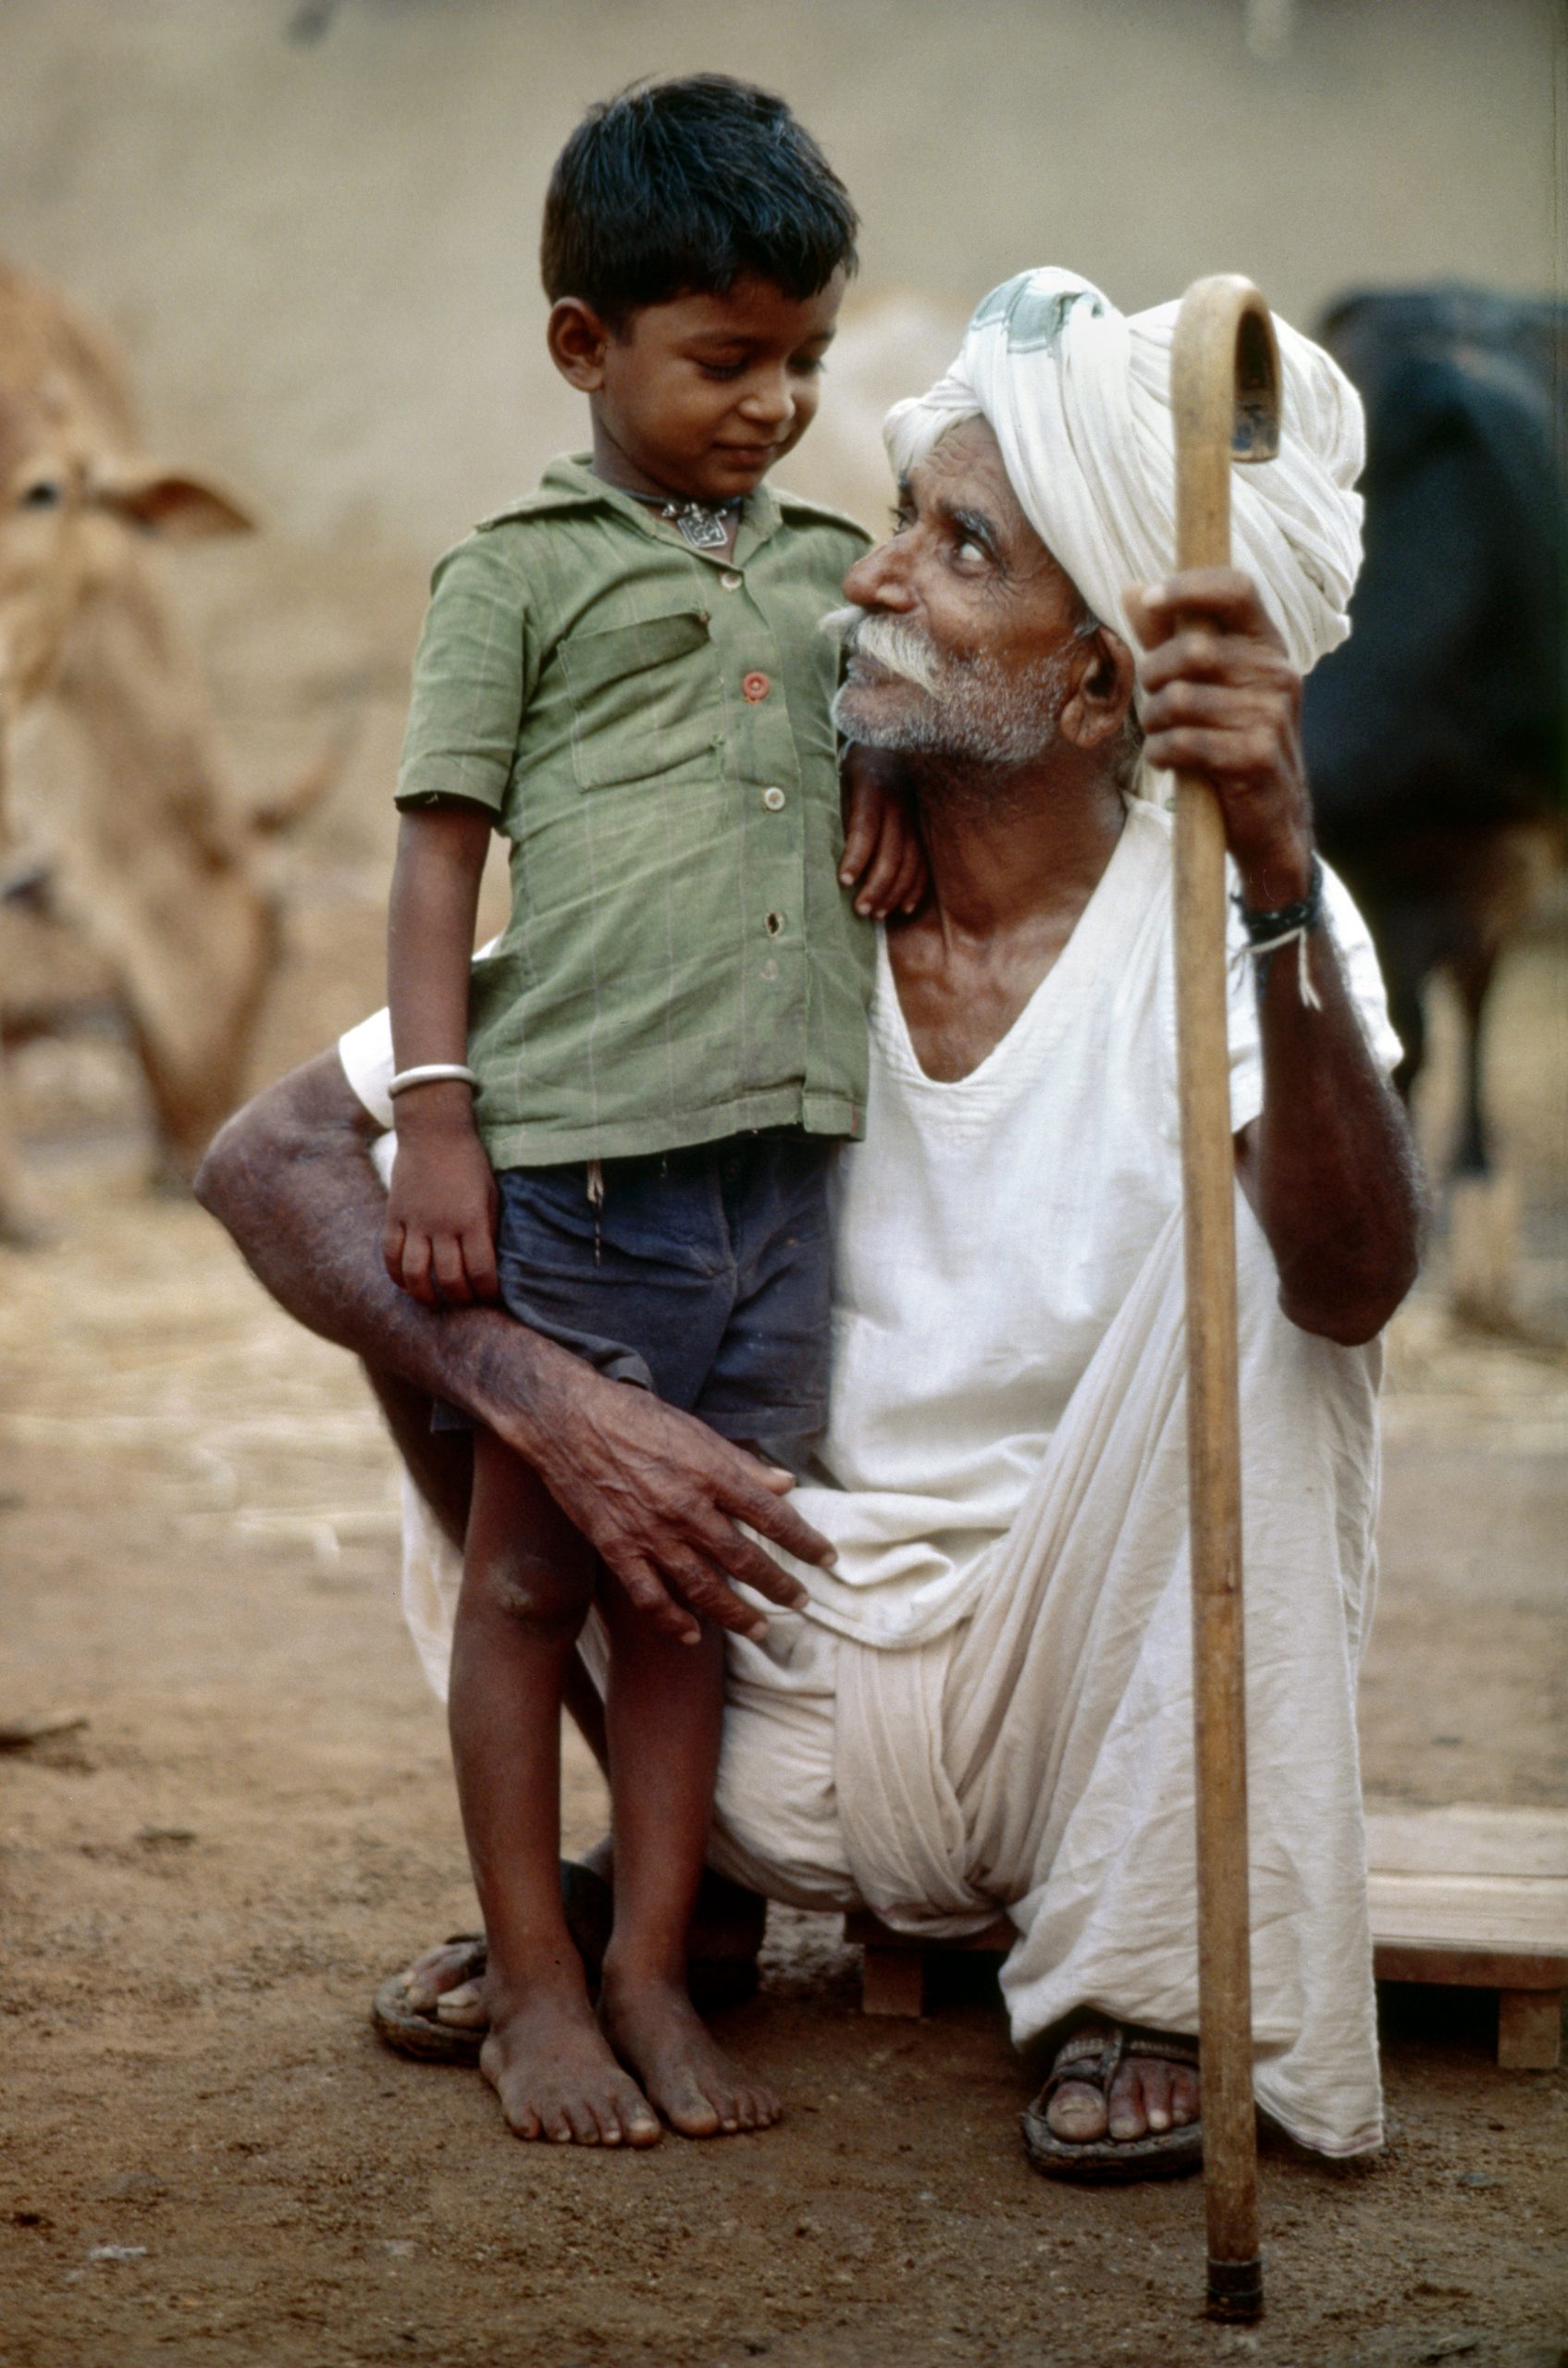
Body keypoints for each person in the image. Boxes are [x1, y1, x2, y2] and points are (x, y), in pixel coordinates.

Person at [199, 267, 1423, 2179]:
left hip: (1082, 1732)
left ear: (1094, 676)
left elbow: (1359, 1284)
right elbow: (267, 1161)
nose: (872, 578)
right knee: (465, 1240)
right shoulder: (756, 885)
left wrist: (1270, 878)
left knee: (1279, 1303)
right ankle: (671, 1893)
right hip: (745, 1662)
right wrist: (544, 1401)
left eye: (955, 548)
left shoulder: (1238, 923)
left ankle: (1139, 1976)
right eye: (899, 524)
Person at [374, 74, 923, 2150]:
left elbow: (891, 722)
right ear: (580, 345)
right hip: (583, 1163)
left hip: (783, 1173)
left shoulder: (831, 567)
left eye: (798, 359)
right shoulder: (509, 573)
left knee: (690, 1582)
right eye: (724, 360)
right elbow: (440, 856)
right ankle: (531, 1985)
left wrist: (876, 766)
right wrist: (436, 1115)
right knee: (535, 1583)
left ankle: (660, 1964)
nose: (772, 404)